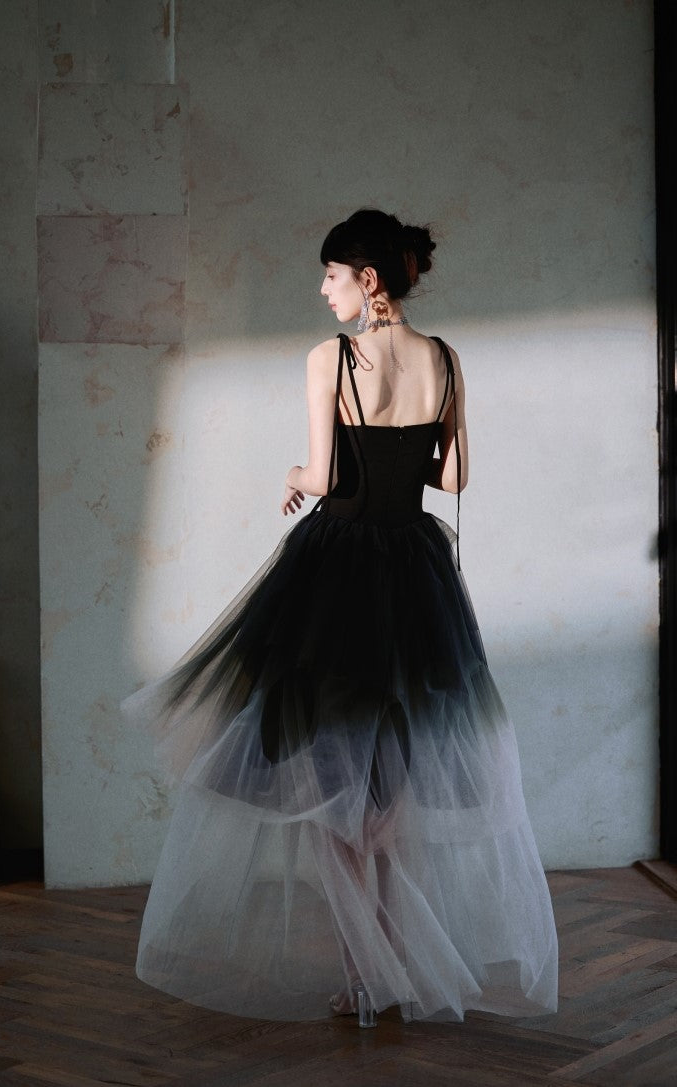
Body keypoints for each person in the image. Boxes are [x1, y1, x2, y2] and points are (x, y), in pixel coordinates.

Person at [122, 208, 558, 1029]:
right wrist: (407, 451)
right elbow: (455, 479)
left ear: (368, 279)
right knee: (386, 799)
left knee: (335, 796)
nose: (323, 290)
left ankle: (368, 980)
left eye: (330, 274)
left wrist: (295, 472)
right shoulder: (445, 359)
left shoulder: (332, 358)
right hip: (416, 575)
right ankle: (387, 973)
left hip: (339, 577)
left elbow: (324, 477)